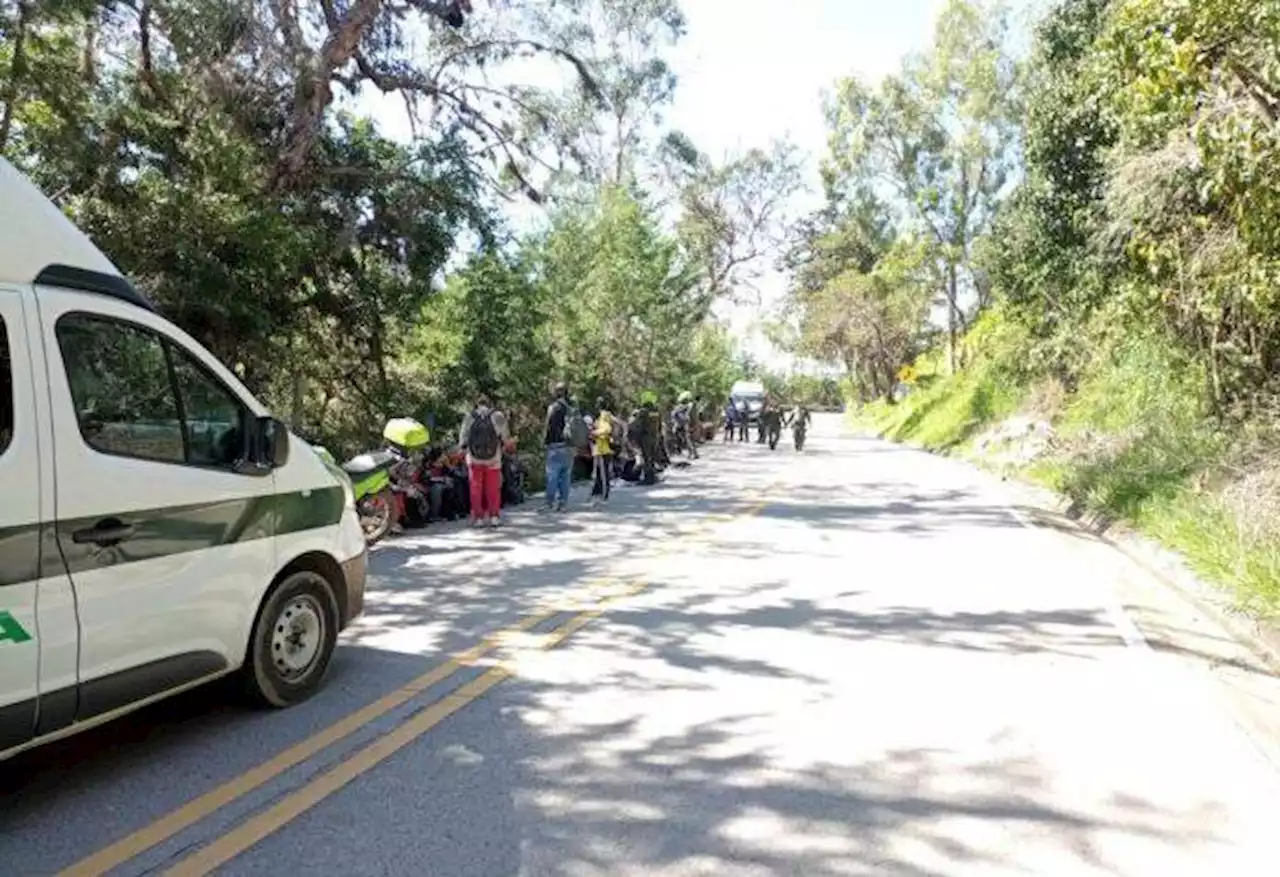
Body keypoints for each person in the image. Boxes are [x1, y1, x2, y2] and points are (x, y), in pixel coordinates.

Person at [459, 394, 509, 527]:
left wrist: (464, 450)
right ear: (490, 404)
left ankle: (479, 518)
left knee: (476, 488)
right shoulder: (498, 415)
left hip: (474, 459)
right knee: (493, 489)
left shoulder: (469, 416)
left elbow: (463, 438)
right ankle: (494, 517)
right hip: (493, 459)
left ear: (476, 404)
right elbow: (505, 437)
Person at [543, 382, 573, 512]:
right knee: (565, 476)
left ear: (556, 392)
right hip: (568, 446)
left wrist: (544, 441)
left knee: (552, 475)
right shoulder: (571, 408)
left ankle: (550, 503)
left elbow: (547, 426)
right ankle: (563, 503)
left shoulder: (553, 407)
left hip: (555, 445)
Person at [590, 397, 615, 506]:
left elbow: (607, 429)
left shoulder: (604, 415)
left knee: (604, 474)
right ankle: (597, 493)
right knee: (600, 473)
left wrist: (595, 433)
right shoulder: (605, 415)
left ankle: (605, 495)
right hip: (600, 449)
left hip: (604, 448)